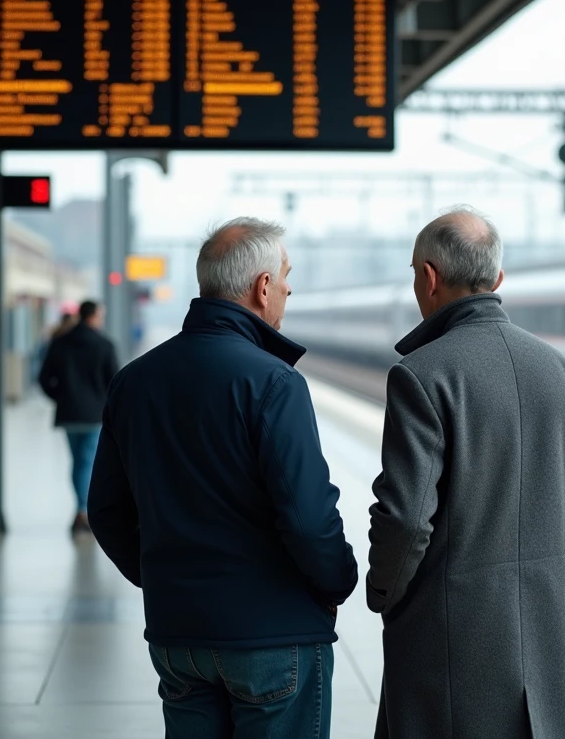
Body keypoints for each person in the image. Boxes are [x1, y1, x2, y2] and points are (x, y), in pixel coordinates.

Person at [88, 217, 357, 739]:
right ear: (262, 287)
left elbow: (106, 511)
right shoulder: (275, 382)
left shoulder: (134, 381)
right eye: (285, 276)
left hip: (178, 637)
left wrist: (166, 579)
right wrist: (338, 582)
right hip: (272, 635)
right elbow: (307, 518)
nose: (288, 288)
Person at [366, 206, 565, 739]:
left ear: (429, 277)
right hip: (546, 647)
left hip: (449, 649)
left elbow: (407, 522)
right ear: (497, 279)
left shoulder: (421, 375)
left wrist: (383, 594)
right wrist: (537, 570)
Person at [37, 300, 118, 532]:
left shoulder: (60, 343)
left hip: (69, 413)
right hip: (94, 415)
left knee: (78, 462)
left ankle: (81, 510)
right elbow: (114, 380)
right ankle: (83, 512)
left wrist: (60, 397)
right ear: (93, 317)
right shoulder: (104, 344)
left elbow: (44, 379)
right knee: (87, 462)